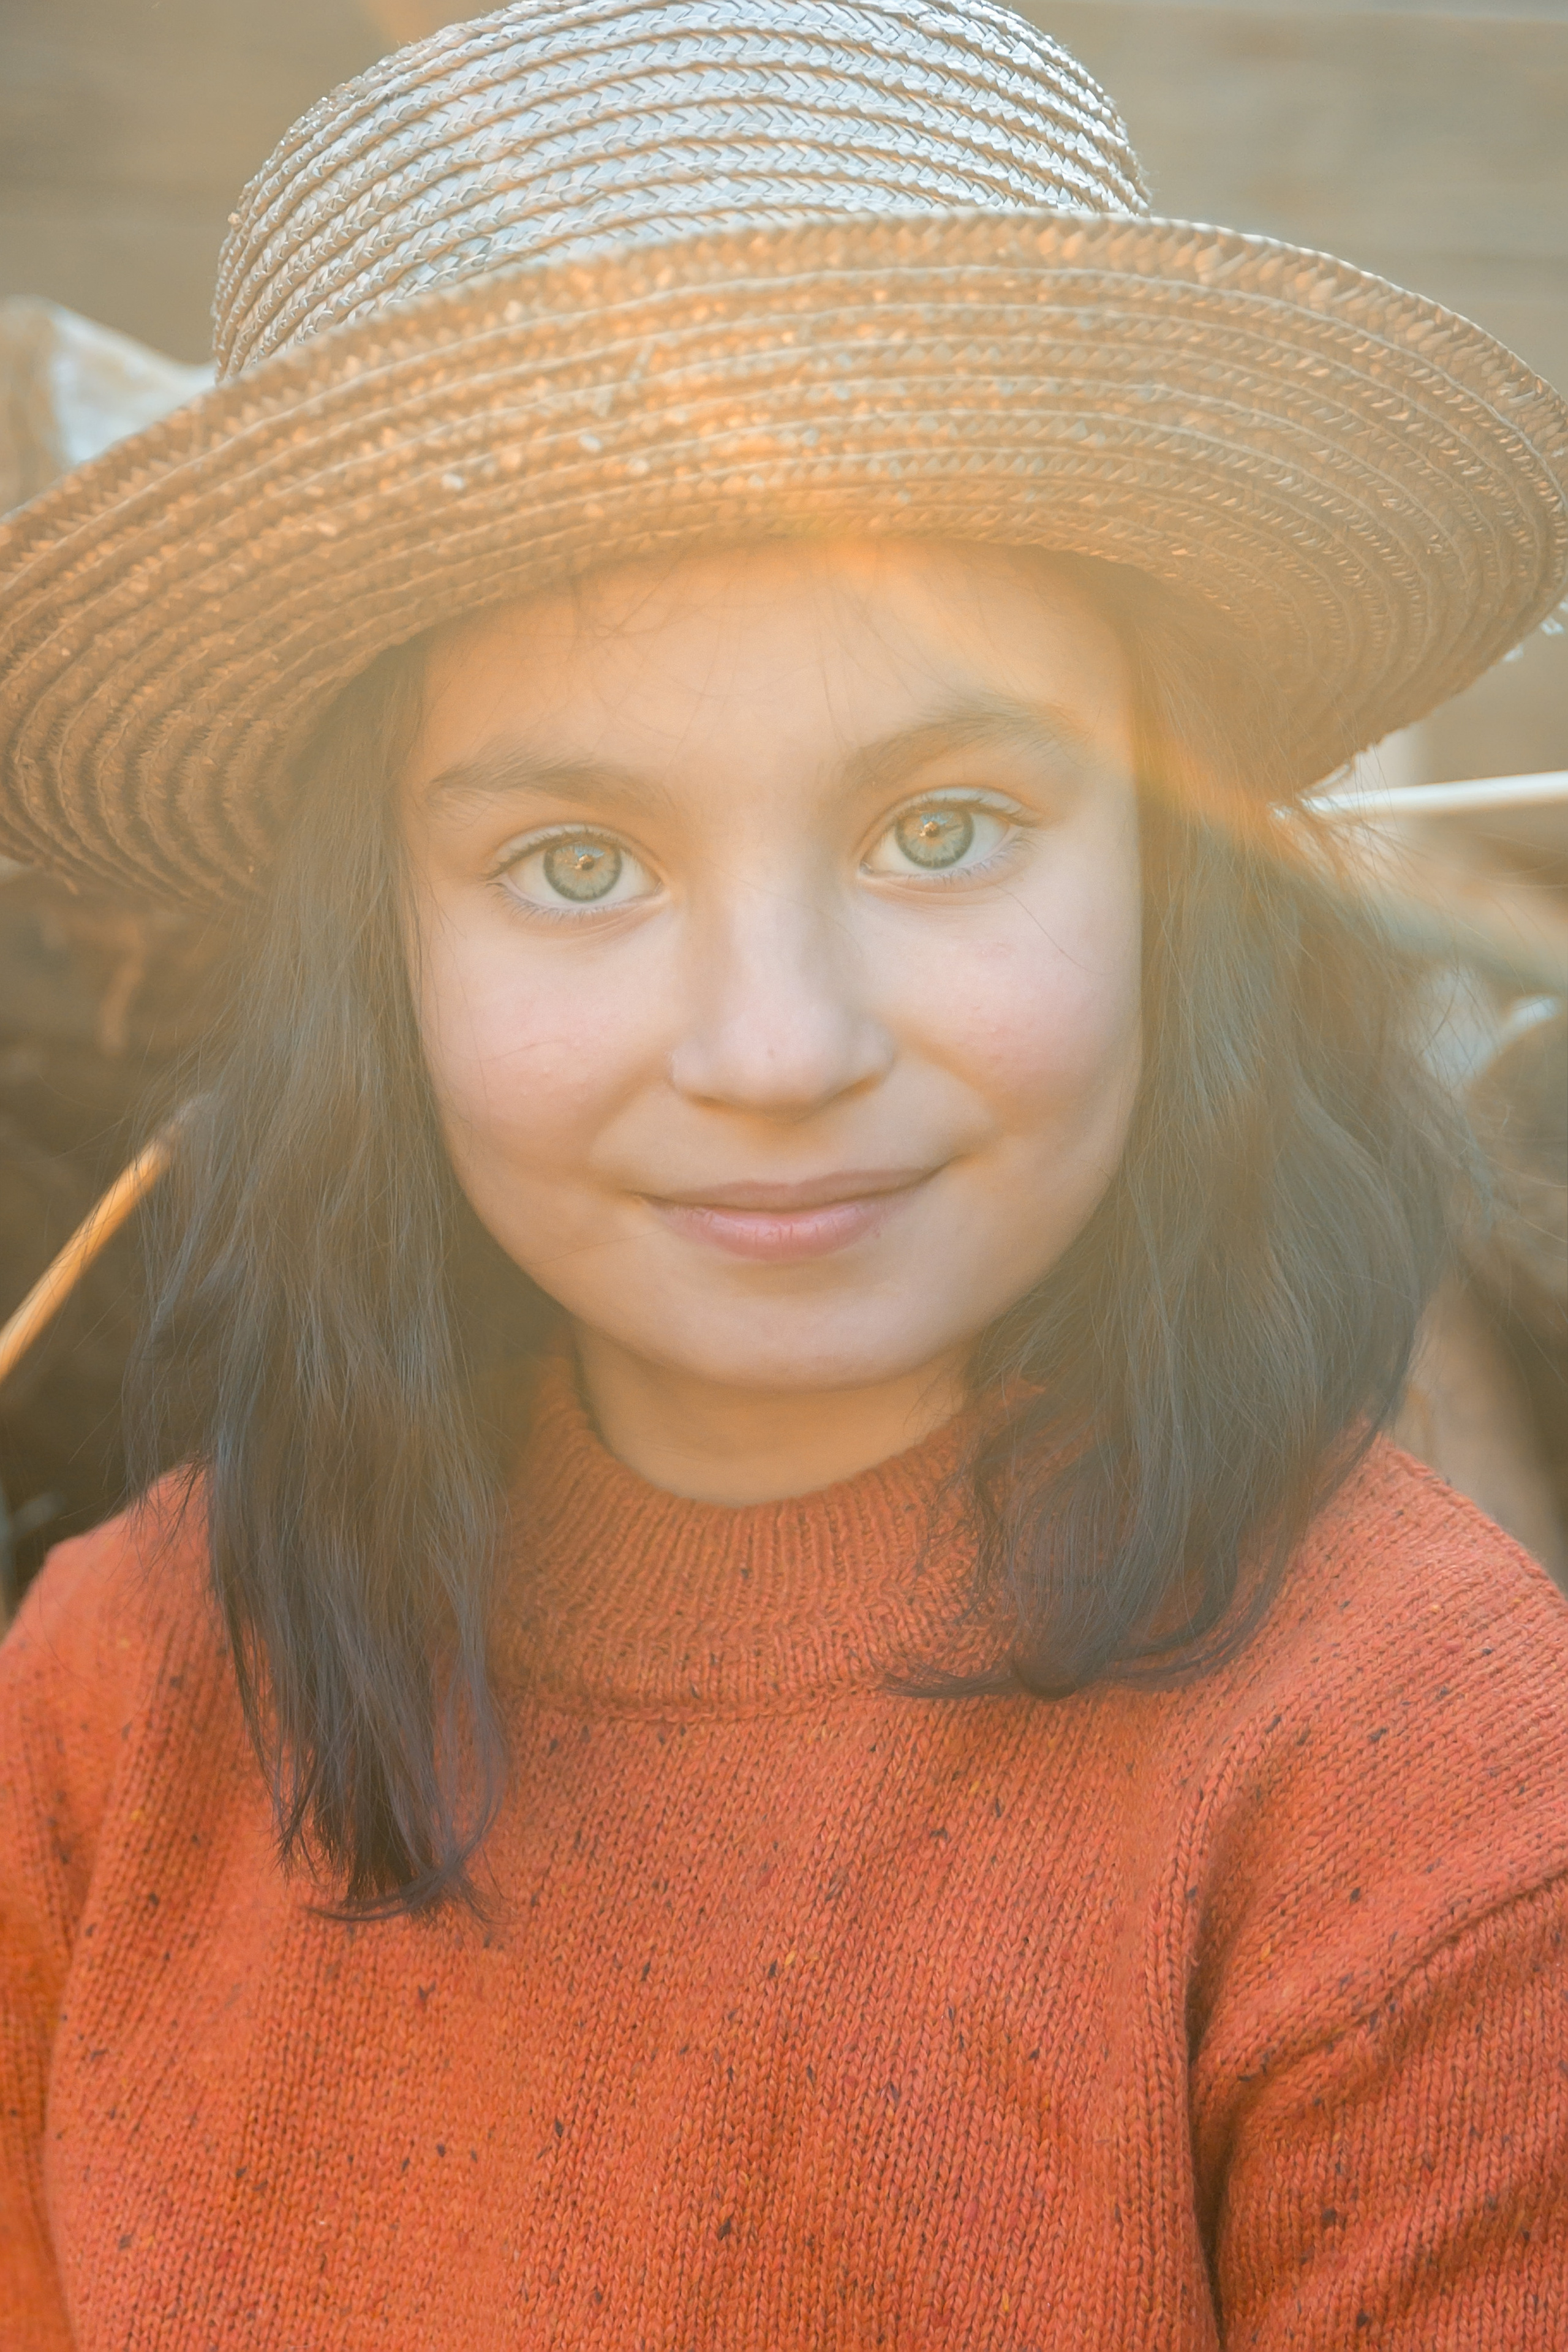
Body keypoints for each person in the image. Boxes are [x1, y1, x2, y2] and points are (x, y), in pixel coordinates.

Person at [2, 1, 1566, 2341]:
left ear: (1178, 876)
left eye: (947, 828)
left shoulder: (1442, 1809)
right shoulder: (115, 1698)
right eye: (573, 862)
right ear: (376, 953)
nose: (777, 1050)